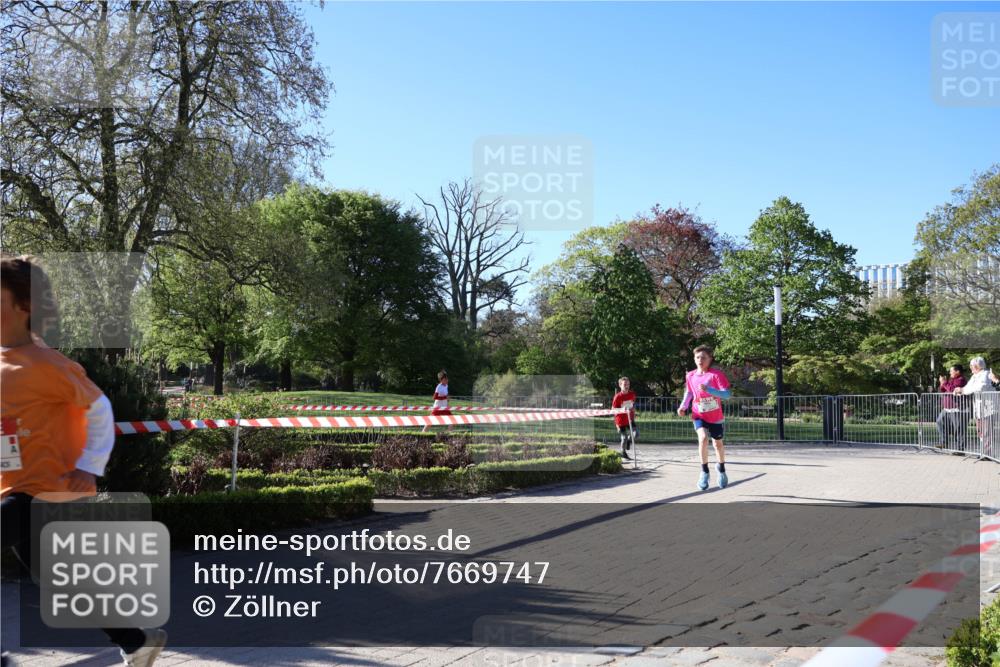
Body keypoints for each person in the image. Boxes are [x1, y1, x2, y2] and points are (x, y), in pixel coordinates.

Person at [0, 256, 167, 667]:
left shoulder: (49, 364)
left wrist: (89, 465)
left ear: (24, 305)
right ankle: (137, 641)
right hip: (14, 486)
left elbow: (100, 409)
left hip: (44, 491)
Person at [678, 345, 732, 490]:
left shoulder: (716, 375)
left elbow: (727, 395)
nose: (700, 360)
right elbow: (689, 393)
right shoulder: (690, 375)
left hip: (715, 416)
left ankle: (721, 469)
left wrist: (709, 390)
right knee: (702, 438)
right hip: (698, 413)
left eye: (703, 357)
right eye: (697, 357)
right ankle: (704, 472)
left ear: (710, 359)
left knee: (717, 444)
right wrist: (683, 406)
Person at [954, 356, 996, 458]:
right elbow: (968, 387)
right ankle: (983, 452)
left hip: (988, 409)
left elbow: (979, 387)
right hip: (979, 409)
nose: (971, 368)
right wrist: (960, 389)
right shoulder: (974, 376)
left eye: (972, 366)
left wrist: (963, 390)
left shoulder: (986, 374)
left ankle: (987, 453)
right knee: (980, 431)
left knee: (987, 432)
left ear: (977, 366)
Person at [936, 365, 967, 448]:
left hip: (956, 409)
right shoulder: (951, 380)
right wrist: (942, 383)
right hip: (946, 409)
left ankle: (960, 449)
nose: (950, 372)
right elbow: (942, 390)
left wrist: (945, 382)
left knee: (958, 429)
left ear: (957, 371)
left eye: (951, 371)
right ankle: (944, 443)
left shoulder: (961, 380)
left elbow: (952, 390)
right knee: (939, 422)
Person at [611, 377, 637, 460]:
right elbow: (613, 410)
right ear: (620, 385)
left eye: (628, 384)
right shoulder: (617, 397)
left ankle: (629, 442)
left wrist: (633, 410)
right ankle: (623, 452)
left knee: (636, 434)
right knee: (624, 437)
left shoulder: (632, 394)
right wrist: (622, 410)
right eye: (625, 384)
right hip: (620, 420)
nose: (627, 386)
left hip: (630, 419)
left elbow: (632, 404)